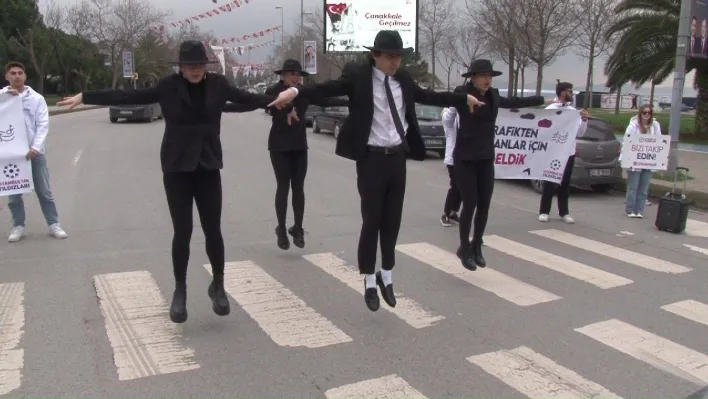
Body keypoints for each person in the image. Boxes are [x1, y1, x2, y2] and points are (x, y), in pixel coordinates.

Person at [56, 40, 276, 324]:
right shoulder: (167, 86)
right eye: (189, 65)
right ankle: (180, 289)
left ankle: (218, 284)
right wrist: (86, 96)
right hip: (176, 168)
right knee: (182, 231)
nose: (195, 70)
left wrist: (281, 98)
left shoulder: (219, 85)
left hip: (208, 166)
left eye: (199, 65)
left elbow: (249, 98)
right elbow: (130, 97)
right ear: (181, 67)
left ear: (205, 66)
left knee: (213, 230)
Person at [268, 30, 482, 311]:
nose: (395, 62)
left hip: (397, 157)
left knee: (392, 221)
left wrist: (462, 98)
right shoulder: (359, 76)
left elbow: (428, 95)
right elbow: (326, 88)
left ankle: (387, 276)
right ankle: (369, 280)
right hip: (371, 159)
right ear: (375, 56)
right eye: (390, 57)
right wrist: (294, 91)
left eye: (399, 57)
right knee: (372, 221)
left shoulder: (403, 79)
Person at [225, 59, 347, 249]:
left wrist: (351, 100)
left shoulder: (304, 93)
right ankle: (281, 229)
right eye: (292, 74)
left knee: (298, 187)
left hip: (299, 145)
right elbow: (258, 102)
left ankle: (297, 228)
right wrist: (221, 106)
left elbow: (325, 101)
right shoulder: (274, 91)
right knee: (283, 186)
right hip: (279, 145)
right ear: (283, 75)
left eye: (298, 75)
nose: (296, 78)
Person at [449, 60, 546, 271]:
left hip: (485, 158)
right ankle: (464, 248)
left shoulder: (493, 95)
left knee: (484, 204)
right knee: (471, 203)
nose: (487, 79)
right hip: (465, 159)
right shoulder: (463, 93)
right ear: (473, 77)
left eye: (489, 76)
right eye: (482, 75)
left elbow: (513, 102)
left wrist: (540, 99)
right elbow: (451, 98)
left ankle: (477, 246)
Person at [1, 61, 68, 242]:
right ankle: (18, 225)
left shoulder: (36, 99)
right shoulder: (1, 97)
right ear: (7, 76)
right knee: (14, 194)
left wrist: (35, 148)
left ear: (25, 76)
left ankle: (53, 223)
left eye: (20, 73)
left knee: (44, 190)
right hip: (11, 156)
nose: (16, 76)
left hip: (34, 154)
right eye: (12, 73)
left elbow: (42, 125)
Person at [538, 82, 589, 224]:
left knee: (565, 183)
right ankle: (544, 211)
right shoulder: (550, 109)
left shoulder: (573, 112)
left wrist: (584, 120)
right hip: (553, 152)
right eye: (569, 91)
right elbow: (543, 129)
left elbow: (580, 132)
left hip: (568, 152)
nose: (571, 94)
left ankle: (564, 212)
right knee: (549, 181)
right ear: (561, 92)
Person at [621, 104, 661, 218]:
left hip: (648, 161)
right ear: (640, 113)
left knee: (644, 188)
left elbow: (659, 140)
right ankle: (630, 210)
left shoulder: (655, 126)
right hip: (634, 161)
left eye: (649, 112)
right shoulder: (633, 125)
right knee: (633, 187)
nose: (647, 115)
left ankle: (640, 210)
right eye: (644, 112)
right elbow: (627, 140)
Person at [440, 107, 461, 226]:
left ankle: (453, 212)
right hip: (452, 159)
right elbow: (449, 118)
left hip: (463, 157)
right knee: (455, 186)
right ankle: (445, 213)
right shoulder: (447, 115)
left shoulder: (462, 114)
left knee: (462, 188)